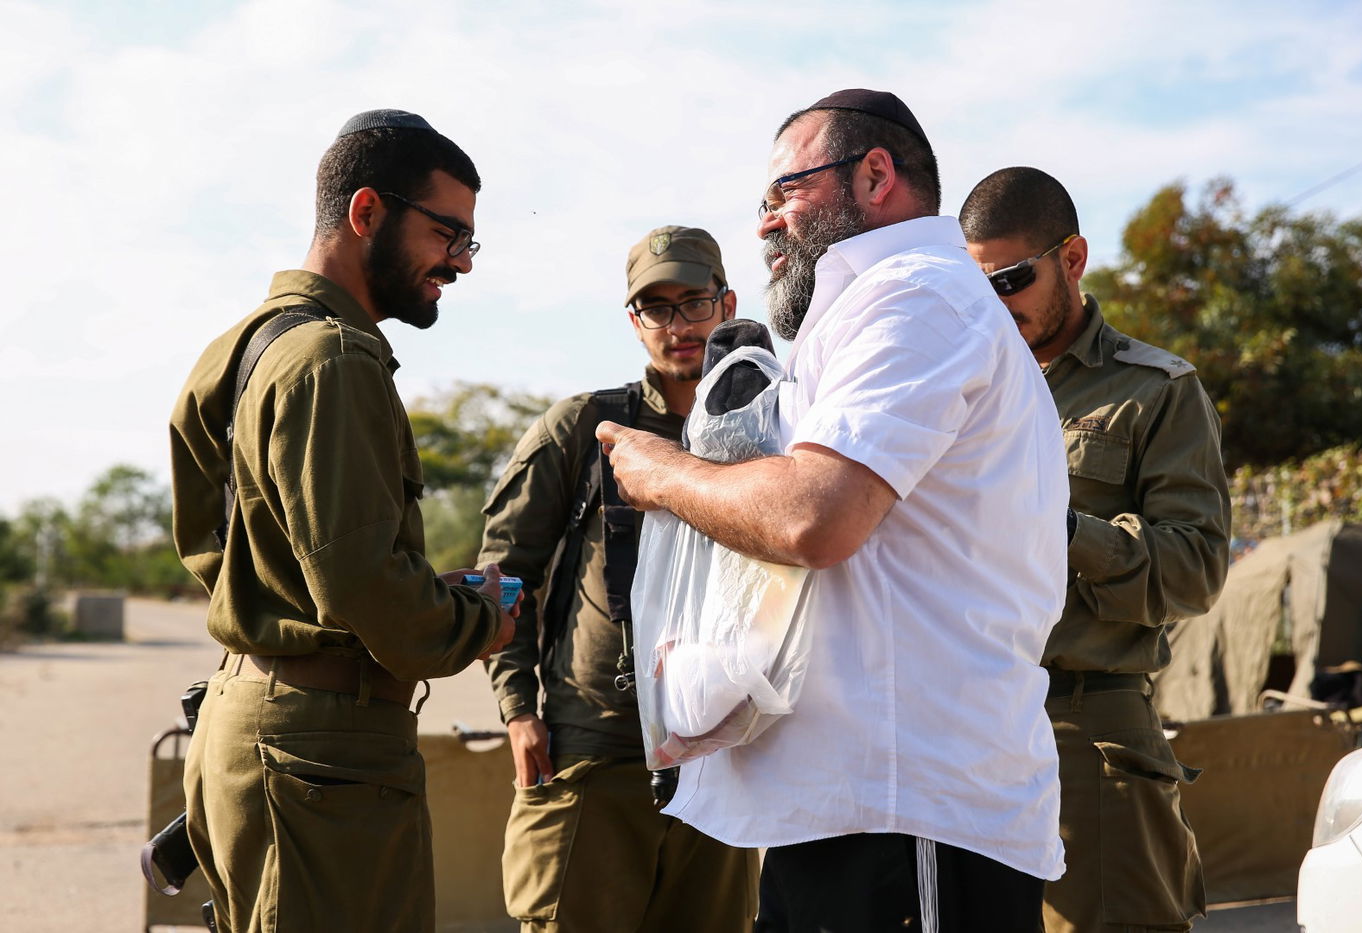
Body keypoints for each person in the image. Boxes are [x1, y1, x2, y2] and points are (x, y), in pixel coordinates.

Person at [596, 90, 1069, 932]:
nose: (765, 223)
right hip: (855, 813)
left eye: (785, 192)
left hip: (907, 814)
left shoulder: (919, 297)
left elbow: (815, 516)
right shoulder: (878, 308)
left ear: (875, 175)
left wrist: (662, 472)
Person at [168, 109, 516, 933]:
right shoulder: (334, 357)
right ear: (367, 212)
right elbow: (360, 583)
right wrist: (478, 620)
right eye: (447, 233)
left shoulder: (242, 347)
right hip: (321, 755)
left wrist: (412, 595)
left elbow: (231, 551)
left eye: (469, 240)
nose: (461, 262)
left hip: (253, 724)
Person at [960, 166, 1231, 932]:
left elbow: (1196, 568)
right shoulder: (957, 393)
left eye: (1012, 279)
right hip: (962, 728)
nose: (995, 304)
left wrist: (1058, 528)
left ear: (1072, 258)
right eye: (977, 287)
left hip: (1083, 725)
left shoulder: (1156, 391)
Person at [478, 225, 759, 933]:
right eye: (656, 308)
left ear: (727, 304)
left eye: (694, 302)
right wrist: (518, 710)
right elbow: (504, 576)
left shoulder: (766, 432)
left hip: (722, 754)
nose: (678, 325)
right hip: (595, 748)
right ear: (635, 322)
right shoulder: (585, 428)